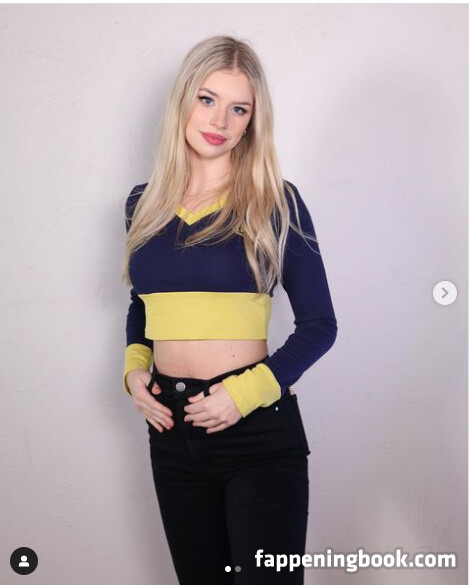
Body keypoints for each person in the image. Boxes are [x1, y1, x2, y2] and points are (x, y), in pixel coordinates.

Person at [121, 35, 338, 585]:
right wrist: (134, 371)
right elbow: (142, 306)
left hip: (256, 432)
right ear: (183, 101)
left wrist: (242, 395)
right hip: (171, 432)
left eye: (239, 108)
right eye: (208, 99)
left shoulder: (276, 202)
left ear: (252, 121)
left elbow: (319, 326)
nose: (220, 120)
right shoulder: (143, 204)